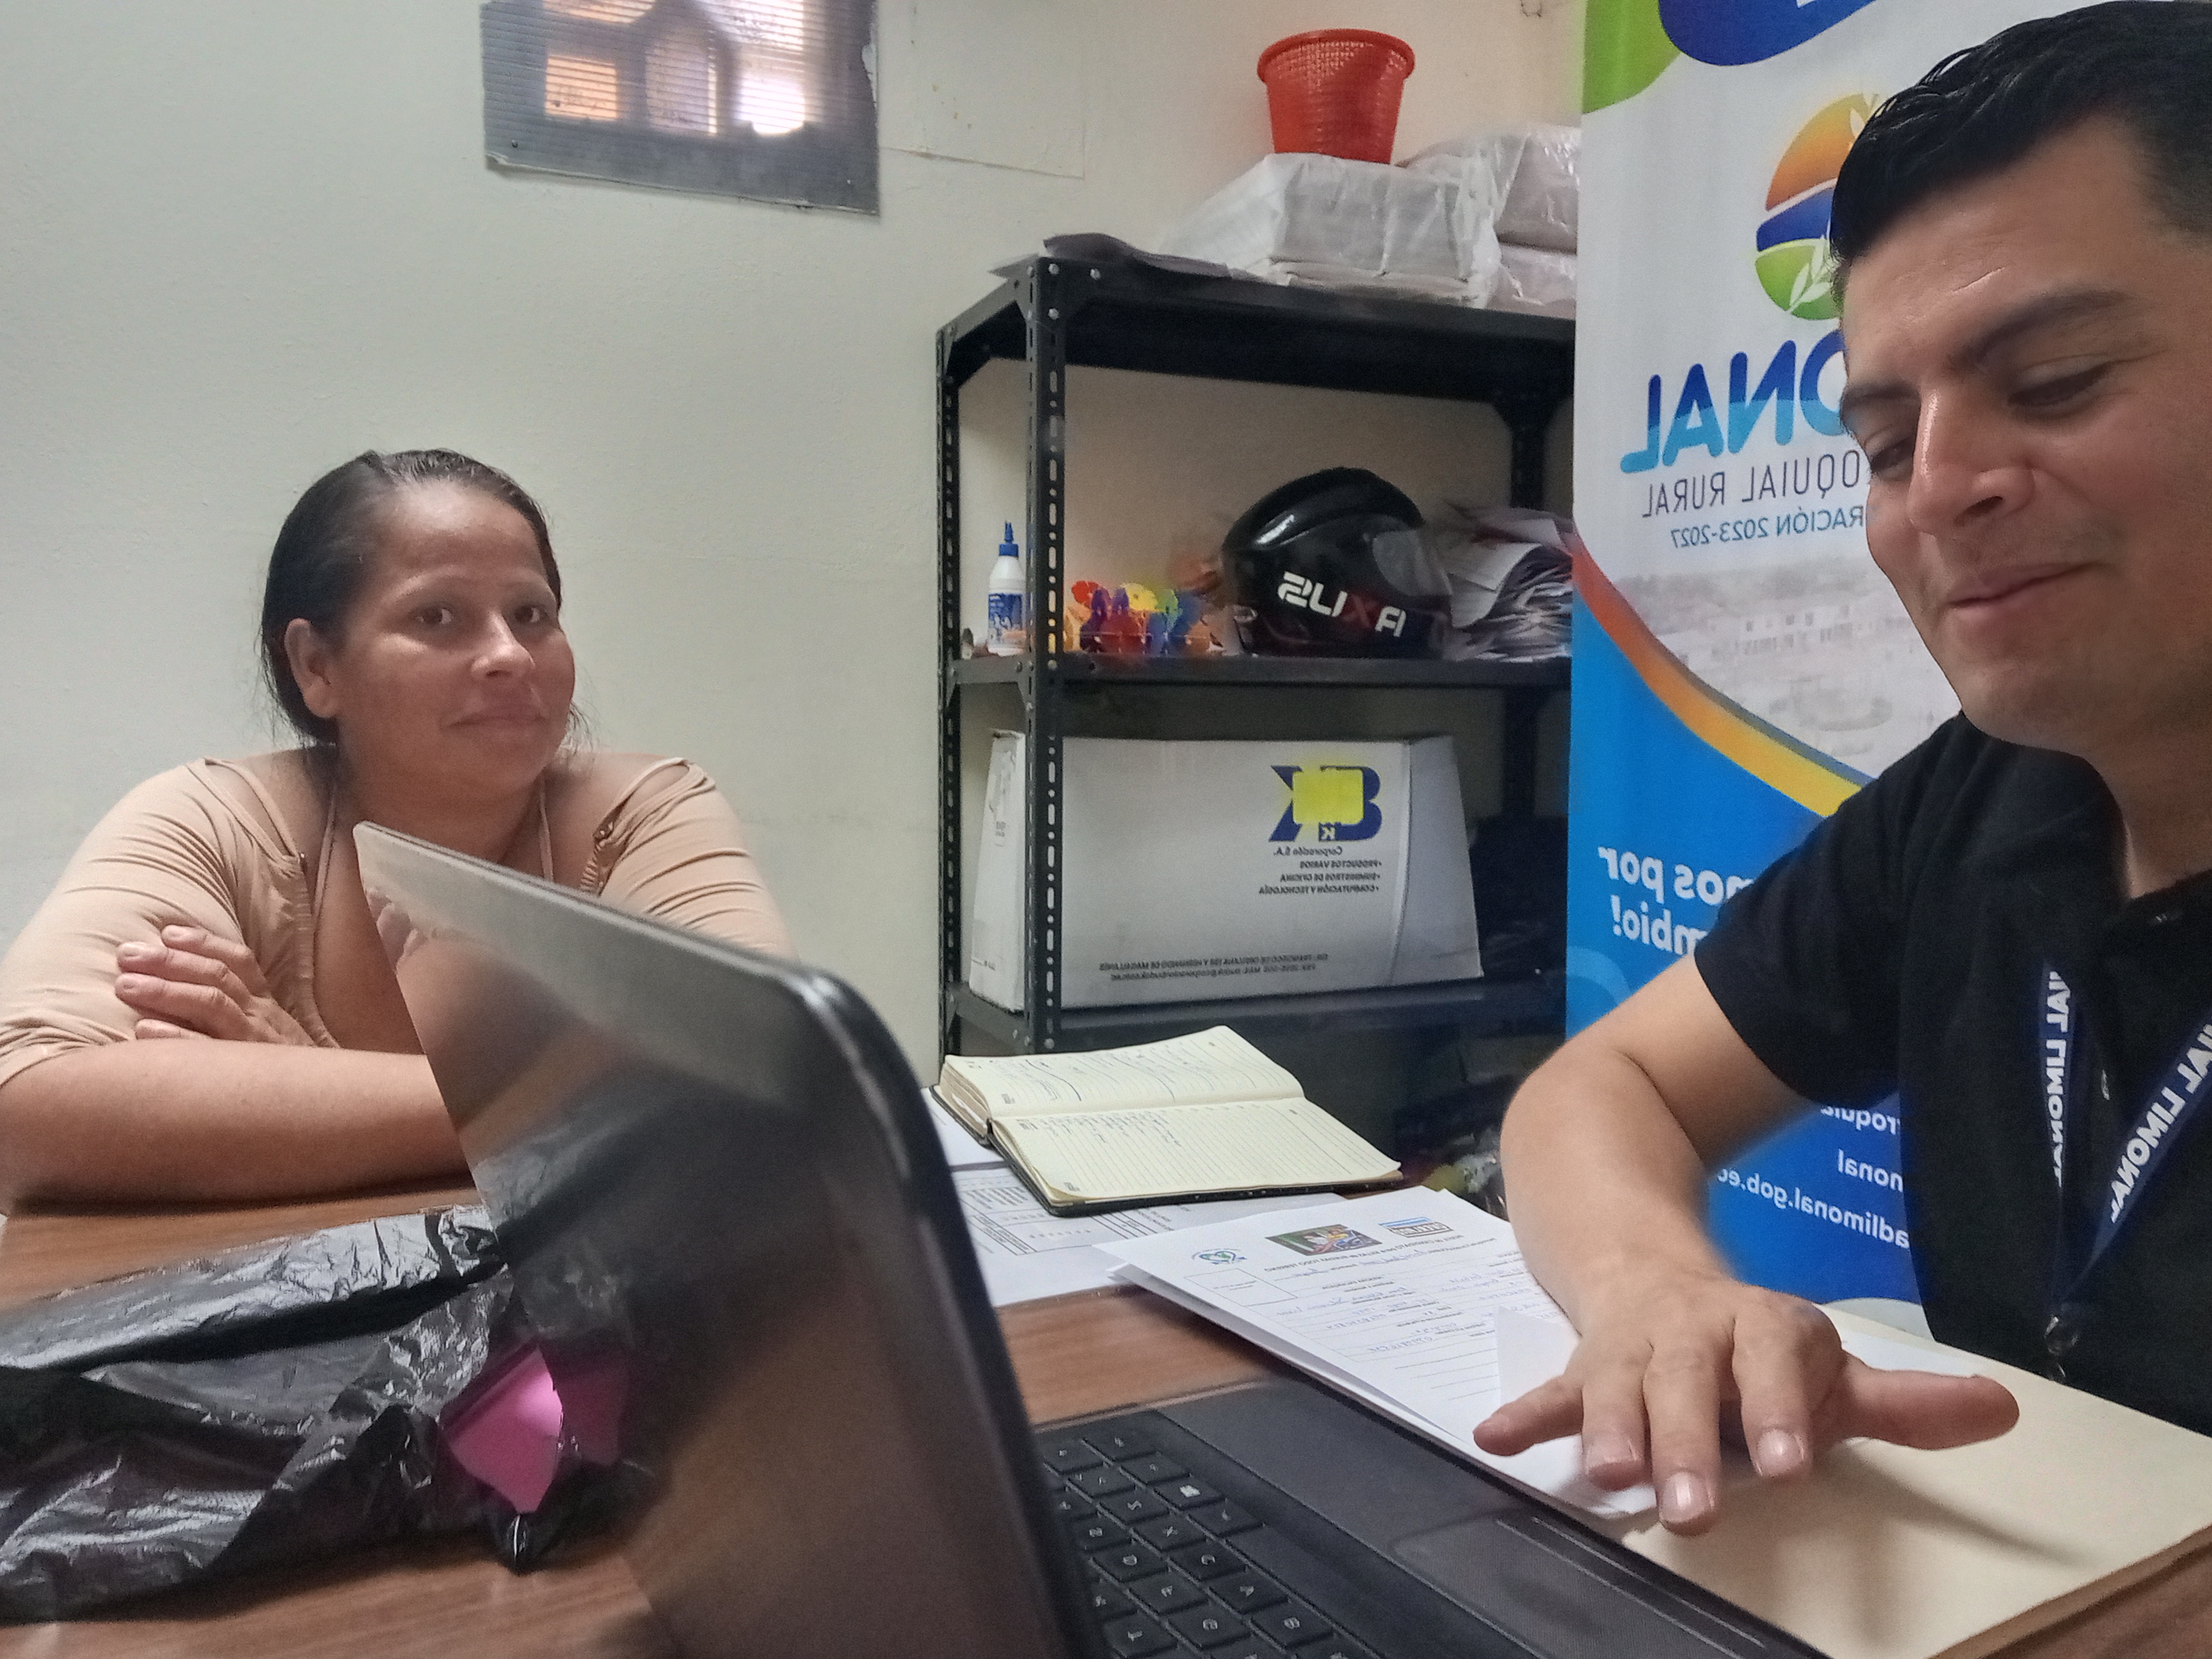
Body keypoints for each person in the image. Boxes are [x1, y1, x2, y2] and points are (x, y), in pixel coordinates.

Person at [1472, 1, 2212, 1534]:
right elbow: (1600, 1085)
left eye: (2055, 378)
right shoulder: (1984, 796)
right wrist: (1654, 1289)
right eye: (1880, 443)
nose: (1936, 489)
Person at [0, 449, 790, 1204]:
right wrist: (559, 1100)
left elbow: (755, 1079)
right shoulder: (216, 820)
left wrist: (301, 1094)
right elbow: (26, 1101)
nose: (510, 654)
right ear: (316, 666)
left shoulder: (640, 812)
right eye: (437, 616)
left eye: (531, 614)